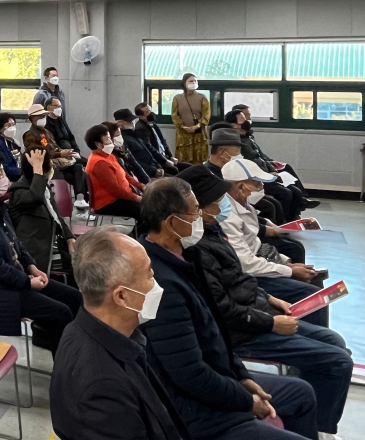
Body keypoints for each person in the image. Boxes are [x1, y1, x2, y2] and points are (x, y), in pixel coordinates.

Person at [138, 177, 318, 440]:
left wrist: (242, 375)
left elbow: (216, 329)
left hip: (222, 372)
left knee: (302, 394)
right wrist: (245, 400)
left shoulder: (189, 255)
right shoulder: (161, 284)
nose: (201, 216)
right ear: (172, 222)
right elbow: (190, 374)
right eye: (195, 211)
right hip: (198, 409)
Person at [181, 165, 353, 437]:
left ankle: (315, 411)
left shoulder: (212, 233)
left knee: (334, 343)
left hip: (255, 307)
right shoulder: (197, 250)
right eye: (216, 203)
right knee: (338, 361)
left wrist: (270, 299)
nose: (221, 206)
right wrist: (272, 322)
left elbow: (239, 280)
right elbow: (224, 309)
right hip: (245, 330)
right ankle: (319, 427)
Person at [50, 228, 190, 440]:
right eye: (149, 274)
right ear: (122, 296)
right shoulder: (103, 388)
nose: (156, 283)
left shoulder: (90, 328)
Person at [0, 148, 82, 353]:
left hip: (15, 279)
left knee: (76, 298)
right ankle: (64, 368)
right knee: (61, 312)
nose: (4, 177)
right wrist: (27, 282)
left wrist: (32, 266)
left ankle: (71, 353)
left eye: (3, 171)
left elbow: (16, 243)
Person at [219, 158, 320, 307]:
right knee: (310, 294)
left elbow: (256, 245)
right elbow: (246, 264)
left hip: (255, 265)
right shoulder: (227, 216)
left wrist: (284, 262)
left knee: (314, 278)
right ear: (241, 186)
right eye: (257, 183)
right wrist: (289, 271)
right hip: (245, 277)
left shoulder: (246, 206)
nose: (261, 187)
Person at [9, 146, 75, 278]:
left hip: (54, 242)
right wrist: (37, 169)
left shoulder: (43, 188)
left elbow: (57, 217)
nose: (52, 166)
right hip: (40, 253)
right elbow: (35, 197)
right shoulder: (19, 192)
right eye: (49, 162)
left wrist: (69, 238)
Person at [27, 103, 88, 197]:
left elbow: (55, 146)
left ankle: (80, 197)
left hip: (59, 163)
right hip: (48, 167)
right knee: (73, 176)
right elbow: (39, 154)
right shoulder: (29, 134)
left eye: (44, 116)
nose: (43, 118)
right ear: (32, 118)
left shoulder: (45, 131)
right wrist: (60, 154)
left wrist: (68, 153)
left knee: (78, 168)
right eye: (40, 116)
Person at [85, 124, 143, 219]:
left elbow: (126, 175)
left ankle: (139, 232)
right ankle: (143, 233)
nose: (111, 142)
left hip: (121, 197)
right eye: (108, 139)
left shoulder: (109, 156)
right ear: (98, 144)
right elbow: (116, 190)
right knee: (147, 210)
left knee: (152, 205)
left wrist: (141, 187)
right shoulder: (99, 163)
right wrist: (137, 198)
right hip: (109, 203)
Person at [114, 109, 177, 177]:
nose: (133, 122)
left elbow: (149, 152)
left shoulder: (133, 134)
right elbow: (134, 161)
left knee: (175, 171)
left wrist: (158, 166)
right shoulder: (123, 140)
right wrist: (154, 171)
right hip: (147, 173)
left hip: (154, 167)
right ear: (120, 123)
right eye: (130, 121)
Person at [171, 74, 209, 163]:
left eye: (195, 81)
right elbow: (174, 115)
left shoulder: (202, 97)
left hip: (198, 133)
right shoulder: (177, 98)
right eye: (191, 81)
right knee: (183, 159)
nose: (193, 83)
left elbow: (206, 115)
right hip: (183, 133)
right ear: (184, 83)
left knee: (198, 158)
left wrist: (197, 126)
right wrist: (183, 127)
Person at [134, 102, 183, 168]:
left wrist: (171, 156)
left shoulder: (153, 124)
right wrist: (165, 161)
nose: (151, 113)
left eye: (150, 110)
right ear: (141, 116)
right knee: (175, 170)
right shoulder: (140, 129)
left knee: (190, 167)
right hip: (157, 162)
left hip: (165, 158)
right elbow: (149, 148)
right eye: (148, 112)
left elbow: (163, 141)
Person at [104, 120, 153, 186]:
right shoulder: (110, 154)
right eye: (117, 135)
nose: (119, 137)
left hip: (137, 182)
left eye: (120, 134)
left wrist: (148, 181)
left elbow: (135, 164)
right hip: (130, 186)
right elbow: (124, 178)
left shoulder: (122, 147)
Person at [0, 112, 22, 181]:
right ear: (0, 128)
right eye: (7, 125)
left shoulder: (13, 142)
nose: (12, 128)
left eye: (13, 125)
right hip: (10, 180)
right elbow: (4, 168)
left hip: (20, 176)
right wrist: (24, 172)